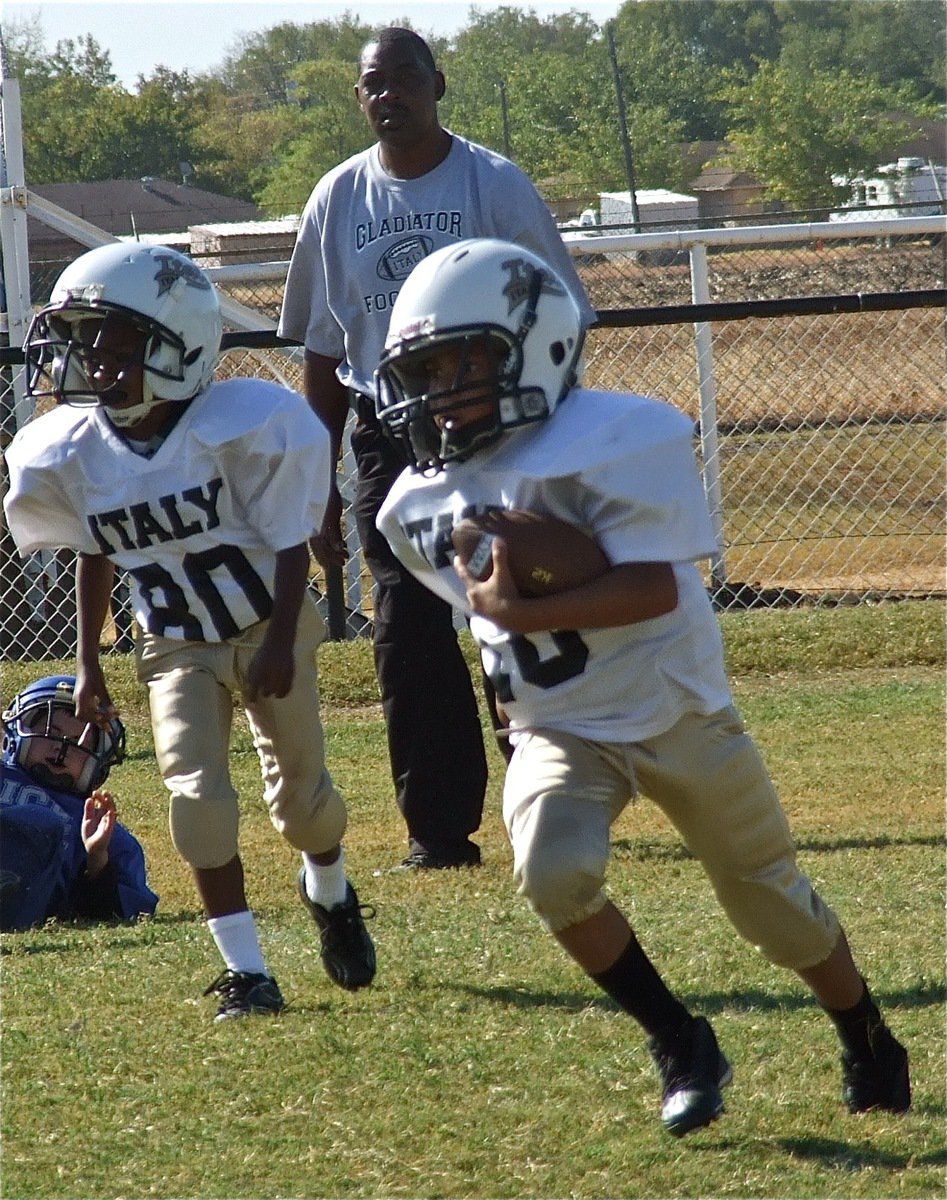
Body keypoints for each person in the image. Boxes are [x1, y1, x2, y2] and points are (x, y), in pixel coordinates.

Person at [373, 238, 911, 1134]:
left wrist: (530, 609)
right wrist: (511, 677)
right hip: (561, 725)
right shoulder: (413, 504)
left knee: (772, 911)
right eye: (420, 369)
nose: (435, 391)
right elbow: (486, 620)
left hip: (676, 709)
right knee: (552, 872)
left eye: (454, 363)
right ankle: (677, 1039)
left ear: (532, 345)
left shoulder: (617, 436)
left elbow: (650, 586)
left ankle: (861, 1026)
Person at [3, 242, 376, 1020]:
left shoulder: (245, 424)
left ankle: (330, 891)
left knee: (302, 803)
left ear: (179, 344)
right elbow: (95, 550)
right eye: (82, 344)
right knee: (195, 796)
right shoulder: (72, 449)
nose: (92, 364)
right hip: (170, 639)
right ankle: (247, 971)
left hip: (263, 623)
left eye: (113, 346)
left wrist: (278, 641)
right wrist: (88, 665)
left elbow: (284, 537)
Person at [278, 27, 596, 871]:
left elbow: (561, 317)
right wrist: (318, 482)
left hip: (496, 427)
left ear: (437, 85)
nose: (391, 94)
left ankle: (554, 797)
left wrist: (552, 445)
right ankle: (437, 831)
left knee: (514, 609)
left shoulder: (493, 184)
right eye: (374, 82)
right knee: (407, 626)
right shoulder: (337, 198)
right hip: (389, 435)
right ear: (359, 97)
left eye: (406, 78)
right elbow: (321, 352)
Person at [0, 674, 158, 931]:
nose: (60, 748)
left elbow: (110, 913)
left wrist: (96, 858)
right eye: (52, 733)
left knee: (42, 821)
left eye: (76, 743)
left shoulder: (97, 827)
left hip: (19, 905)